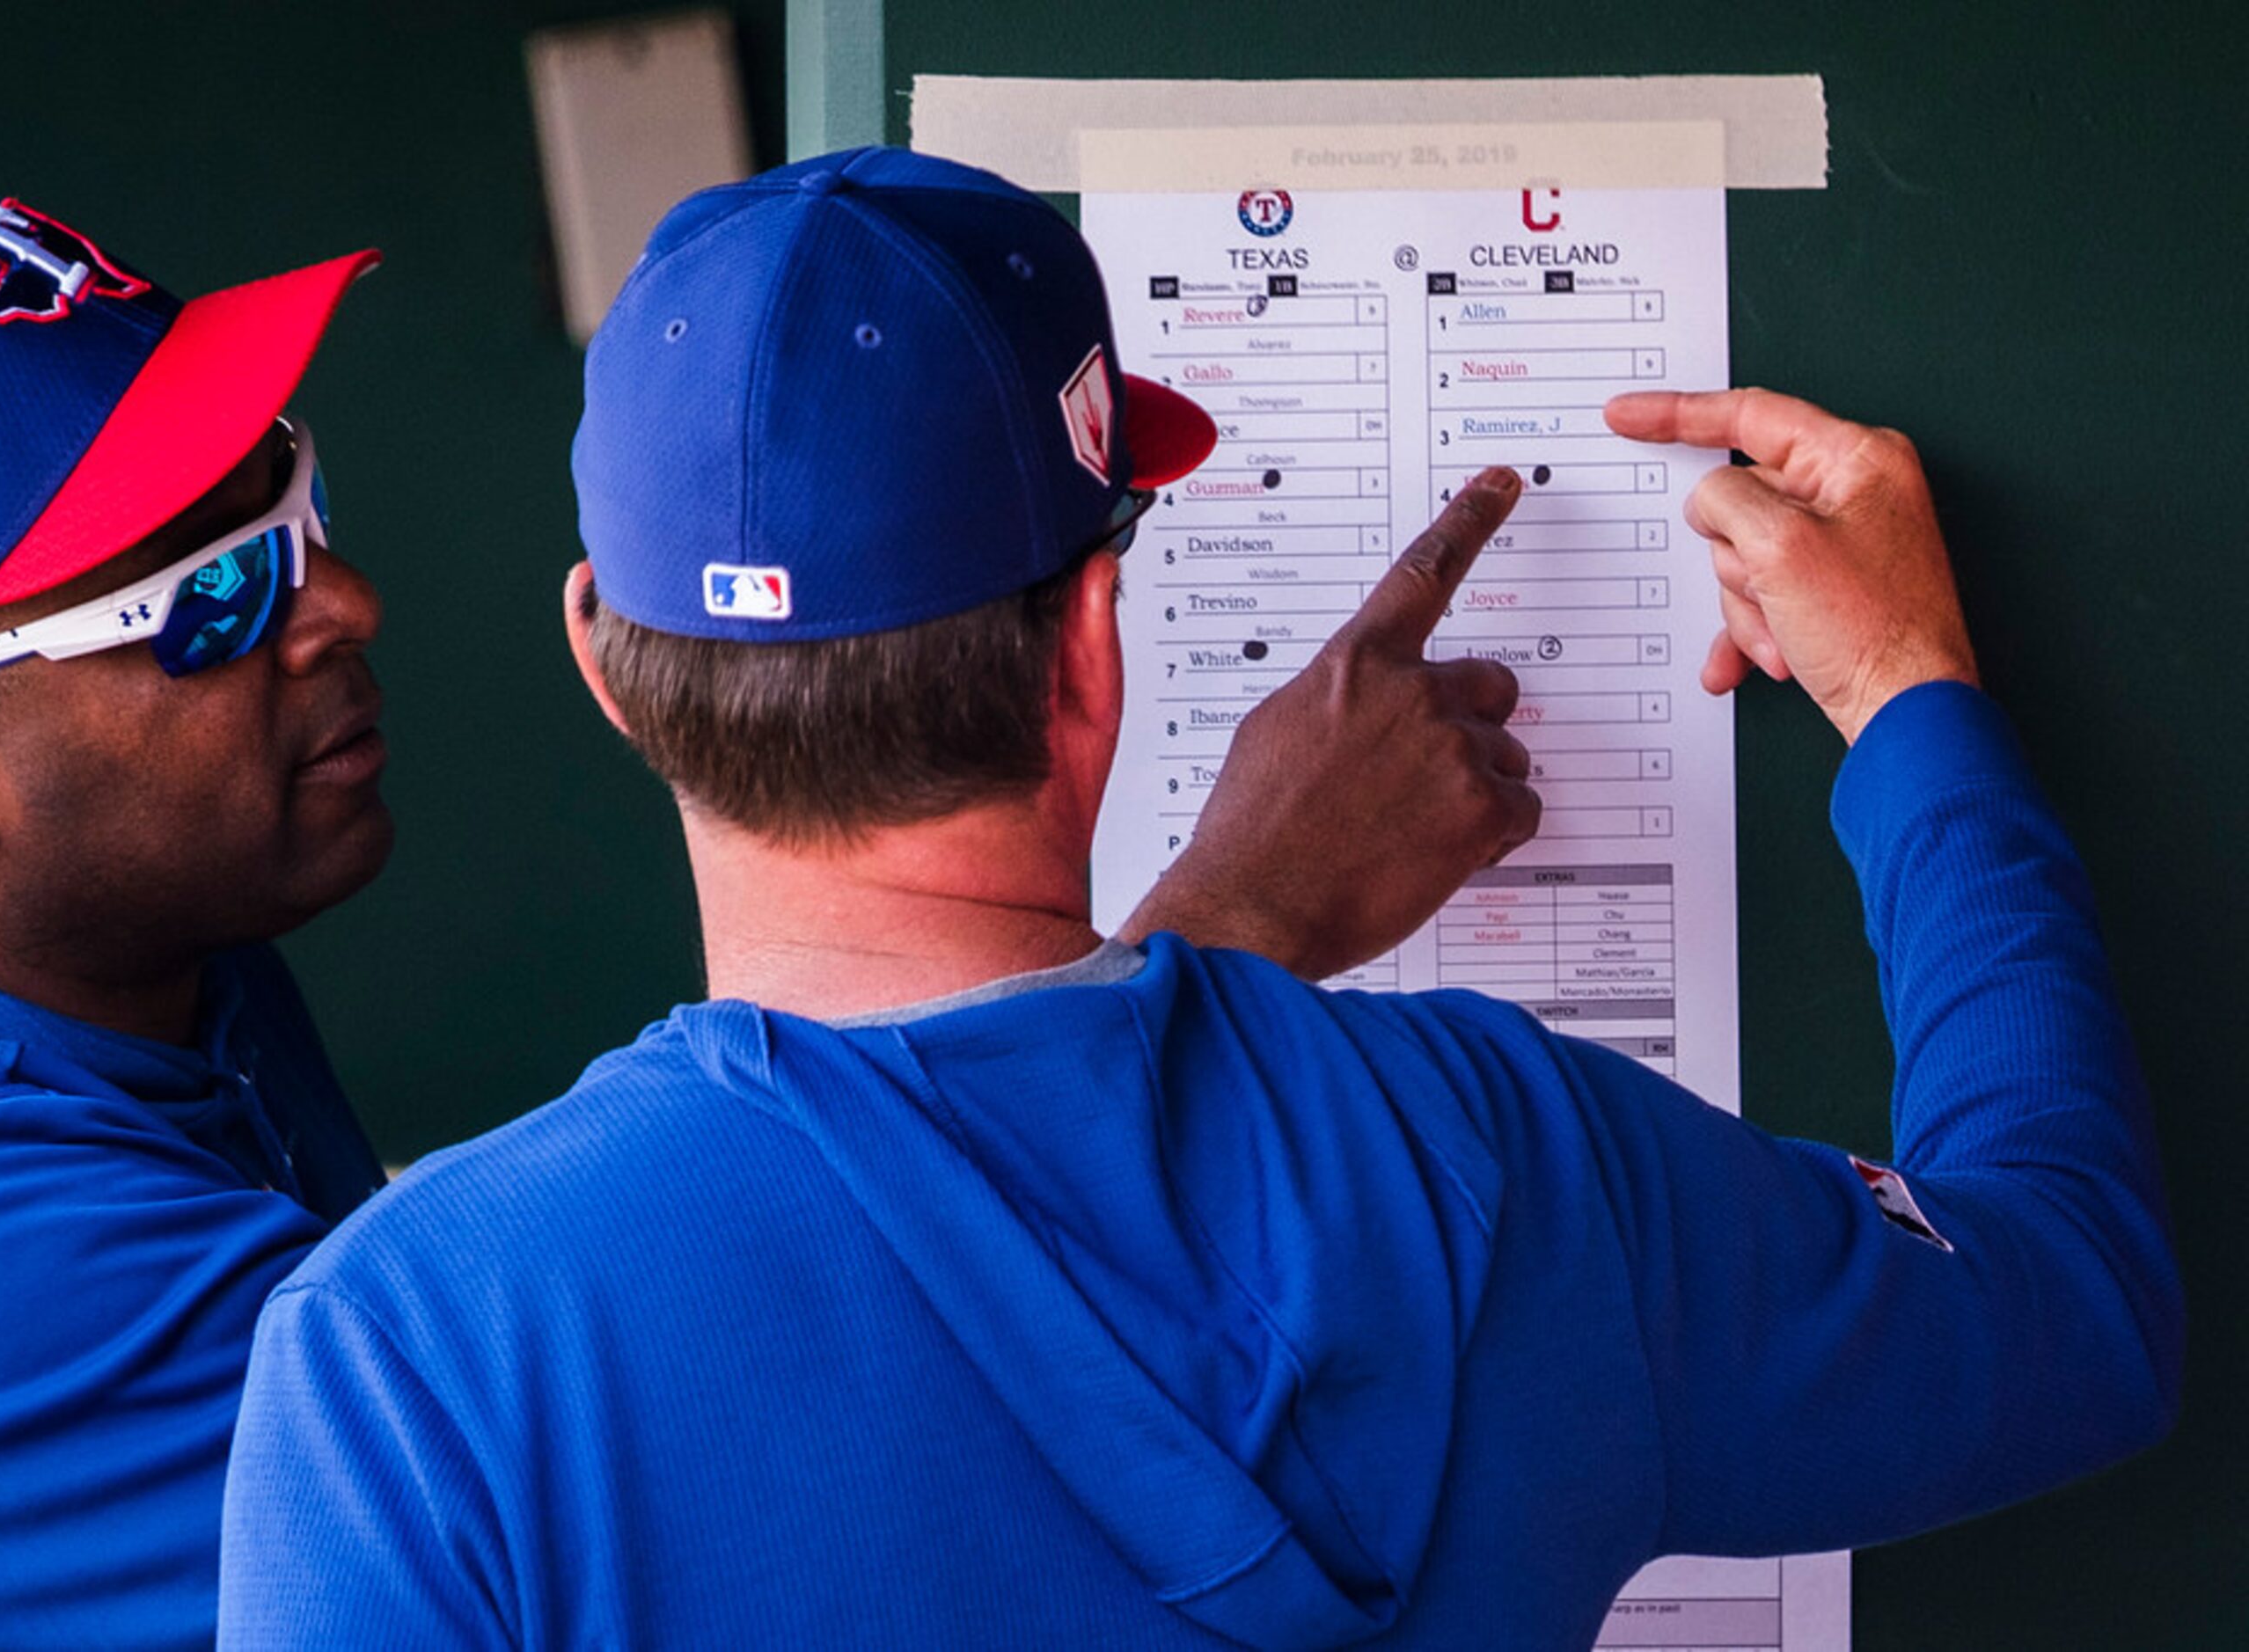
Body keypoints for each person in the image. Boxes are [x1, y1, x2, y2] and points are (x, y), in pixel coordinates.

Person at [219, 148, 2183, 1649]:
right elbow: (2074, 1308)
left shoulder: (411, 1358)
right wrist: (1907, 701)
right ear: (1095, 637)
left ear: (604, 662)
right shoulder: (1502, 1166)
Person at [0, 186, 1530, 1647]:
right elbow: (770, 1469)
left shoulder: (113, 962)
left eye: (292, 498)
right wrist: (1237, 928)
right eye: (218, 591)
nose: (347, 601)